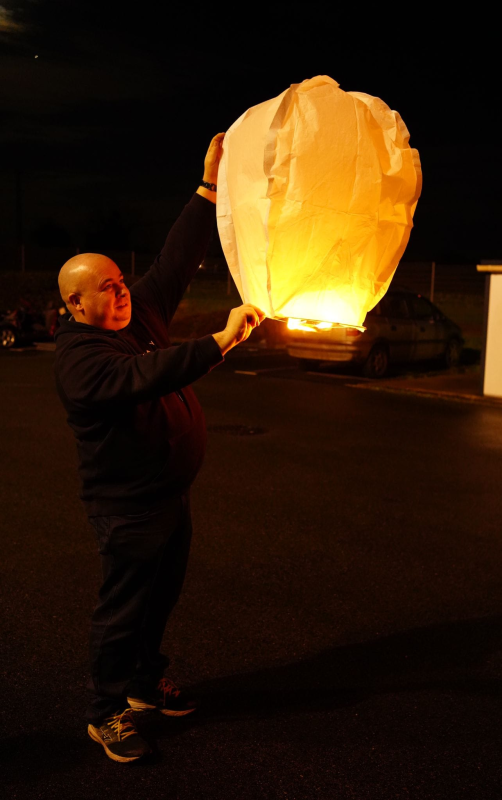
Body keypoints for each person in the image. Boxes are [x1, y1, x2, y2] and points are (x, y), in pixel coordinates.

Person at [54, 132, 265, 763]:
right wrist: (219, 342)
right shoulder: (81, 361)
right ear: (75, 303)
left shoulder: (135, 312)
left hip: (169, 497)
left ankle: (145, 686)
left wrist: (208, 188)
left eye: (121, 281)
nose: (123, 293)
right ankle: (104, 712)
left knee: (159, 599)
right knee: (122, 611)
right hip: (127, 509)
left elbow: (175, 260)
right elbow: (146, 376)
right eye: (107, 289)